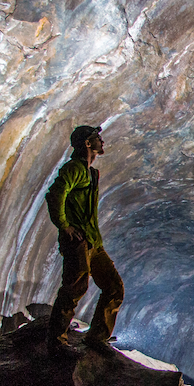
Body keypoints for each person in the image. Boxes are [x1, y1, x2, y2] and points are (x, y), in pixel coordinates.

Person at [44, 124, 124, 353]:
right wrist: (64, 226)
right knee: (74, 288)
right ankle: (56, 341)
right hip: (78, 242)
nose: (102, 141)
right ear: (88, 144)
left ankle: (97, 338)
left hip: (93, 242)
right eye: (97, 138)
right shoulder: (74, 169)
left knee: (114, 287)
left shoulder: (90, 172)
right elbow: (55, 195)